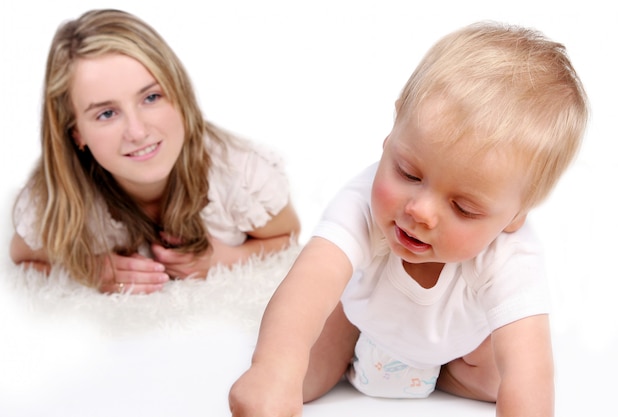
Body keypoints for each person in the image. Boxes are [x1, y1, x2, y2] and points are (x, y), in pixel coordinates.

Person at [229, 21, 587, 416]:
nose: (419, 211)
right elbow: (311, 280)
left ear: (515, 216)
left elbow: (530, 367)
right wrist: (274, 368)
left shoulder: (510, 256)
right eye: (408, 174)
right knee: (303, 359)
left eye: (463, 208)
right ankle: (340, 361)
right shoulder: (362, 202)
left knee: (501, 378)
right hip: (361, 326)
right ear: (393, 130)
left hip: (460, 352)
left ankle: (439, 378)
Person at [9, 9, 300, 294]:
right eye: (107, 114)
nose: (137, 132)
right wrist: (90, 268)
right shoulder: (54, 199)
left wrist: (228, 259)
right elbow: (22, 255)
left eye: (151, 97)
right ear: (76, 133)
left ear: (179, 94)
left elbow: (287, 235)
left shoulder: (240, 173)